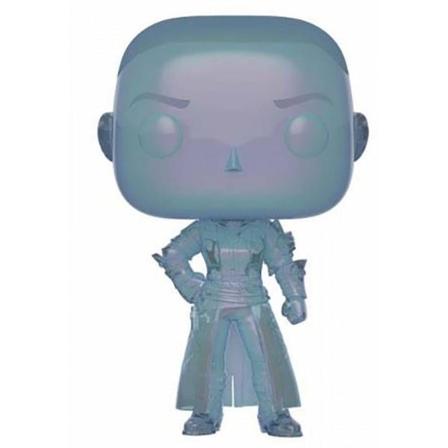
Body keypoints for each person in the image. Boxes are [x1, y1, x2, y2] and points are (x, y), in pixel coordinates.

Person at [98, 15, 369, 437]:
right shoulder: (205, 230)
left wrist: (296, 297)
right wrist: (192, 287)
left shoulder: (262, 231)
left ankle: (274, 414)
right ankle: (206, 414)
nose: (233, 162)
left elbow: (283, 264)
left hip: (252, 299)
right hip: (213, 299)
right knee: (208, 362)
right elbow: (173, 255)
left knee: (265, 361)